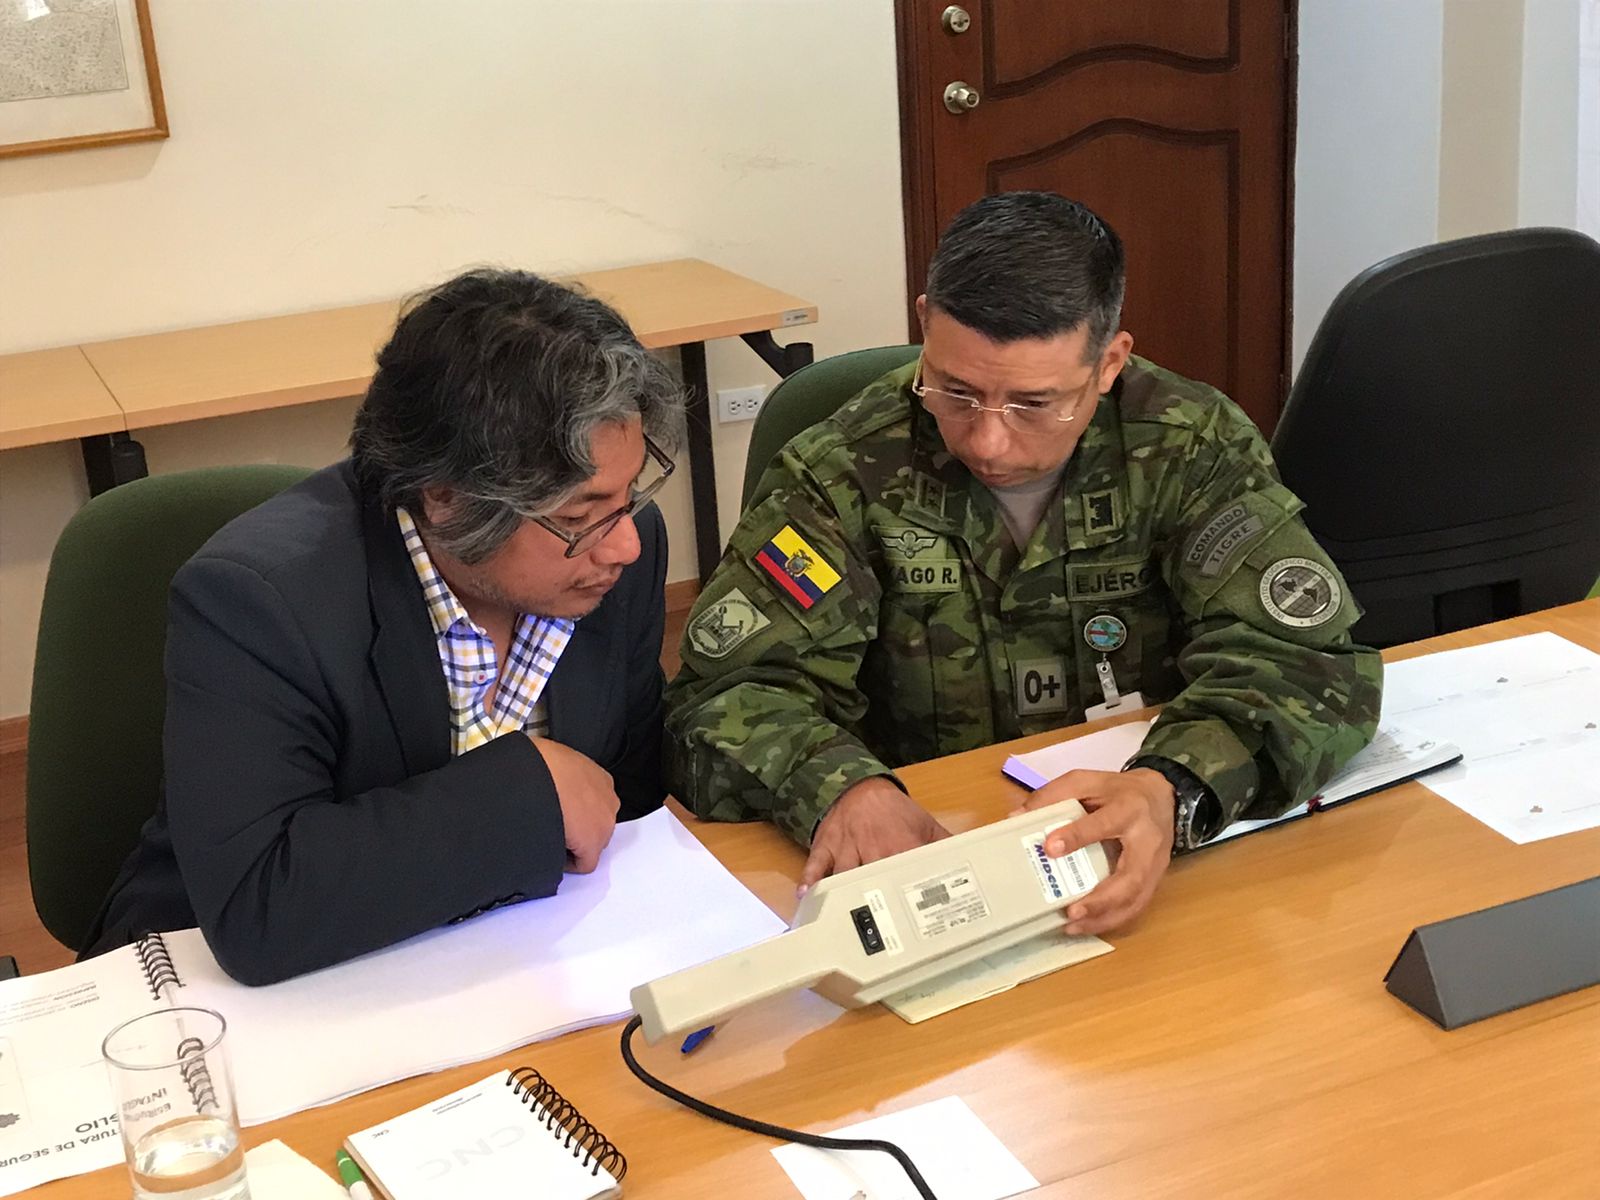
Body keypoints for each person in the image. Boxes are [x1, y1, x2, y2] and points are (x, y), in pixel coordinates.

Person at [665, 192, 1383, 935]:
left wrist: (1172, 786)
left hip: (1135, 859)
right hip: (926, 862)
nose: (987, 442)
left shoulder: (1188, 445)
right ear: (924, 325)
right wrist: (840, 790)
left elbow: (1305, 662)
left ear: (1109, 363)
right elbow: (723, 695)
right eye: (956, 392)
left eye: (1035, 404)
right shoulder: (843, 468)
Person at [83, 268, 683, 984]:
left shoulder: (615, 559)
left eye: (629, 494)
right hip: (238, 993)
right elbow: (257, 906)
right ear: (445, 498)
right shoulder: (258, 601)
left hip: (513, 965)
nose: (625, 544)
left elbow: (630, 799)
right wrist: (525, 795)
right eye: (581, 514)